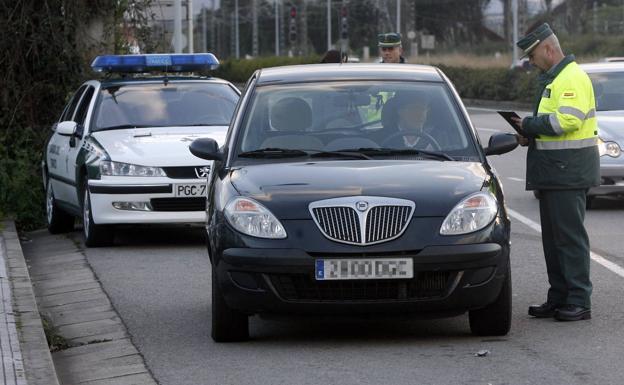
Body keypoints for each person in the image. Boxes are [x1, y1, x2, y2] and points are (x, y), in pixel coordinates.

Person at [511, 23, 600, 322]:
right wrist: (529, 133)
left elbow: (567, 121)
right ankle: (559, 296)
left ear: (548, 49)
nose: (530, 61)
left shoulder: (571, 77)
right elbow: (553, 123)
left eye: (533, 55)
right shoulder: (555, 78)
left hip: (568, 172)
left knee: (569, 239)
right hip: (554, 172)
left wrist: (530, 126)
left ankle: (578, 299)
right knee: (553, 240)